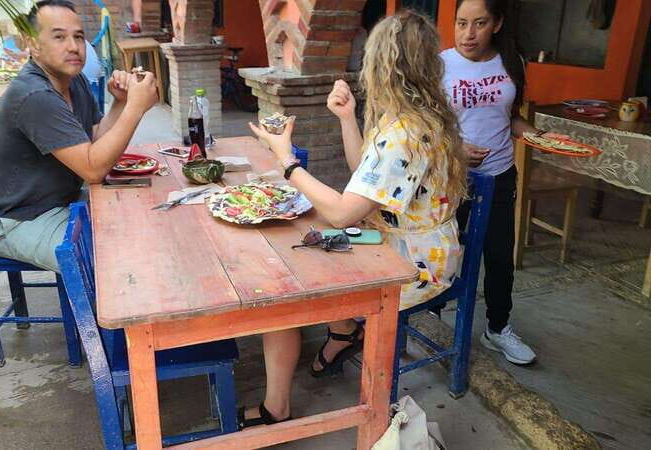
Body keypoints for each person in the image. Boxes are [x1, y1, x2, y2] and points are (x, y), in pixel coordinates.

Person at [241, 11, 468, 426]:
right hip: (420, 243)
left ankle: (278, 406)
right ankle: (344, 331)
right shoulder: (417, 116)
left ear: (382, 65)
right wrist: (348, 117)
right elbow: (365, 173)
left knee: (287, 283)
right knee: (310, 246)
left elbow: (346, 208)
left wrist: (287, 161)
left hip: (414, 262)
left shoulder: (405, 130)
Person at [0, 0, 158, 273]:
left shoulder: (75, 80)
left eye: (78, 37)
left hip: (57, 202)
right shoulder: (35, 95)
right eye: (59, 37)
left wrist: (120, 102)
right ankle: (107, 315)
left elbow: (94, 140)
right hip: (15, 220)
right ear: (33, 44)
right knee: (115, 258)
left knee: (141, 219)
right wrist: (135, 109)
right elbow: (93, 169)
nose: (73, 46)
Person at [440, 0, 567, 365]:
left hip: (497, 175)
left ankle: (497, 328)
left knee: (498, 257)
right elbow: (425, 123)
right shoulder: (440, 64)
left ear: (496, 24)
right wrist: (455, 147)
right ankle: (431, 318)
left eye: (479, 23)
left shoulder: (511, 62)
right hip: (451, 177)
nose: (468, 33)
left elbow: (509, 118)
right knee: (446, 251)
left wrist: (537, 135)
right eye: (461, 23)